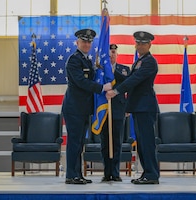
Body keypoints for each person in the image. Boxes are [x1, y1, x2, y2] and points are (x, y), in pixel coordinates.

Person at [106, 31, 160, 184]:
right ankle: (147, 172)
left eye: (143, 43)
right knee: (142, 142)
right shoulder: (138, 62)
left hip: (145, 107)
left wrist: (115, 91)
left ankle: (152, 174)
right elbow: (128, 79)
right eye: (138, 43)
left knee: (147, 142)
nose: (140, 46)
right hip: (138, 107)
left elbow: (134, 80)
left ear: (149, 45)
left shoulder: (149, 61)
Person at [62, 28, 112, 185]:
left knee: (79, 144)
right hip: (74, 108)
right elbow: (81, 82)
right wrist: (102, 88)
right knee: (74, 143)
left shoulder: (87, 60)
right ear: (77, 42)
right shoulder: (74, 60)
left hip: (83, 109)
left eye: (89, 42)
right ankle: (71, 175)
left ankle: (78, 174)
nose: (86, 44)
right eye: (84, 41)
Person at [100, 44, 130, 182]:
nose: (111, 55)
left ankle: (116, 172)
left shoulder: (124, 70)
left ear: (117, 54)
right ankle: (107, 172)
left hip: (118, 109)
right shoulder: (100, 70)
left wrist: (128, 108)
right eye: (109, 52)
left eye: (113, 52)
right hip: (103, 110)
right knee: (105, 142)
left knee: (117, 142)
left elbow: (129, 87)